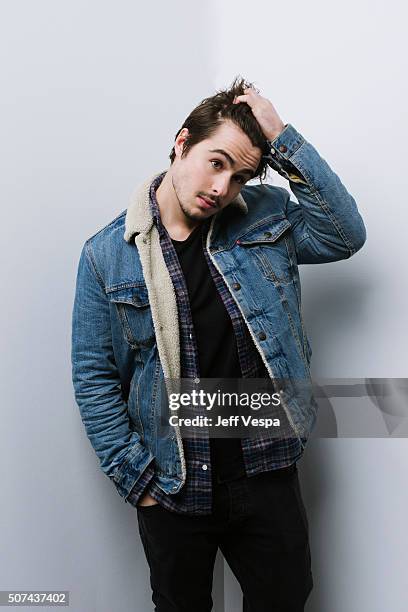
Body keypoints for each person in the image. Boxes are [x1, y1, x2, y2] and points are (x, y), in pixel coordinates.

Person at [71, 76, 366, 611]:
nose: (222, 186)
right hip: (175, 480)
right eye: (216, 161)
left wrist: (281, 135)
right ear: (182, 141)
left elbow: (344, 234)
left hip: (266, 466)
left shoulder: (264, 216)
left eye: (240, 175)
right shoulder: (106, 255)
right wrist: (136, 478)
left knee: (285, 599)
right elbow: (94, 377)